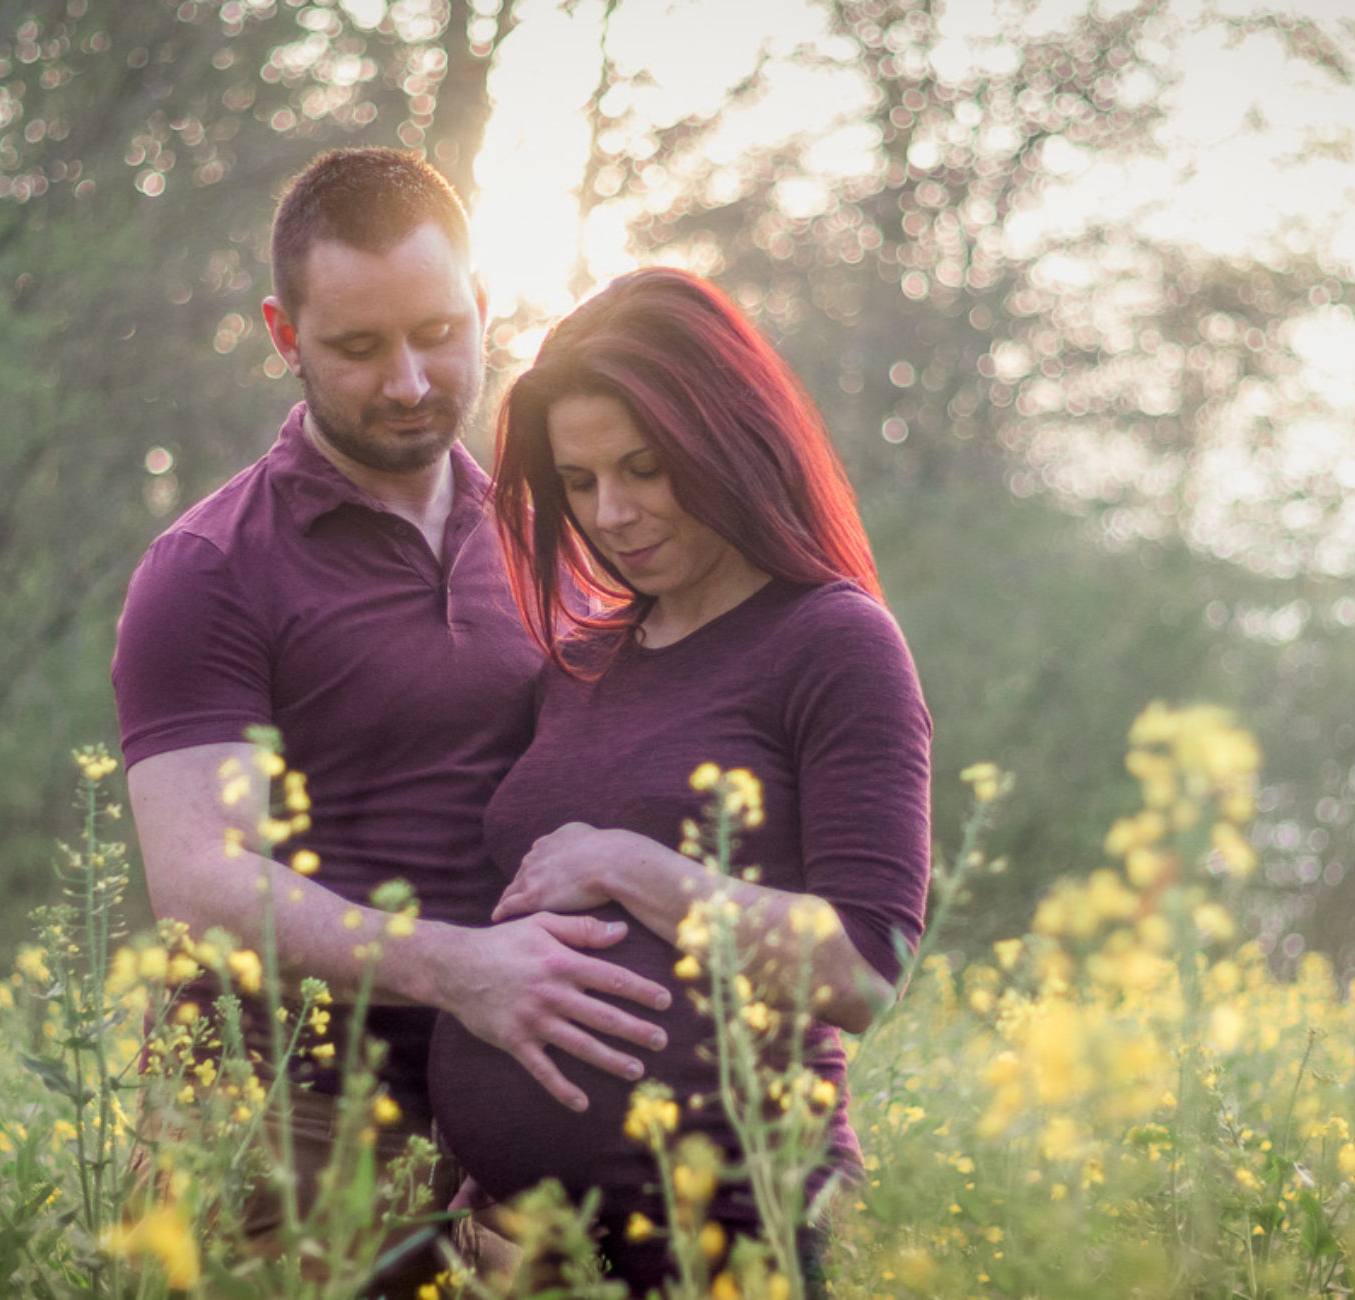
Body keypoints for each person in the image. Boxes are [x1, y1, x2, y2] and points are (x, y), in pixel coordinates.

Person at [110, 149, 673, 1292]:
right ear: (284, 334)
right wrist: (462, 967)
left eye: (436, 333)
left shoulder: (559, 535)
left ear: (481, 304)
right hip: (281, 1118)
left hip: (525, 1122)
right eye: (359, 348)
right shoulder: (208, 571)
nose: (410, 381)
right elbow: (200, 882)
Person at [427, 268, 934, 1292]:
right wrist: (481, 1157)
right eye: (579, 481)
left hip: (724, 1226)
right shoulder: (585, 661)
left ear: (726, 439)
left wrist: (627, 863)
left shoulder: (831, 640)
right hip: (526, 1247)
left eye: (646, 467)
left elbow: (864, 969)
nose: (611, 512)